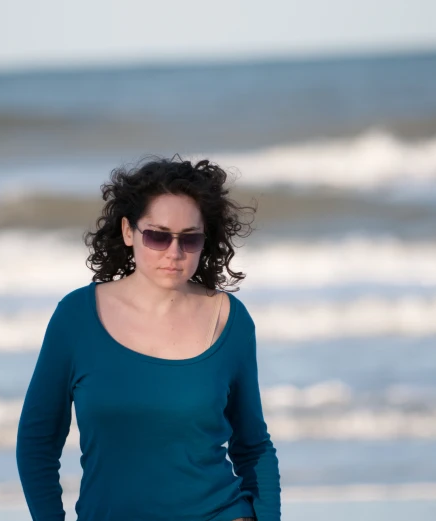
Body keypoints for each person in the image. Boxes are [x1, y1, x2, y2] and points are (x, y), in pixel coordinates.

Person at [16, 156, 281, 520]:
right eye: (158, 236)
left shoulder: (229, 320)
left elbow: (253, 446)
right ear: (129, 232)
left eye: (190, 239)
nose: (174, 253)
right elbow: (37, 442)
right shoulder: (76, 318)